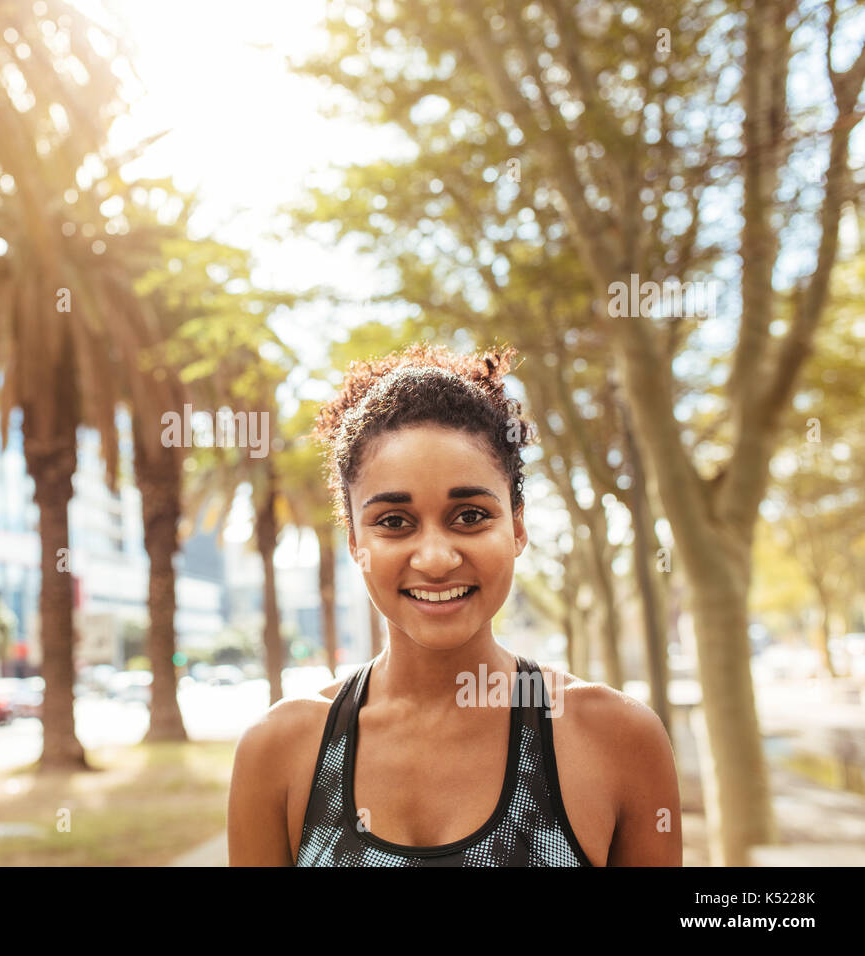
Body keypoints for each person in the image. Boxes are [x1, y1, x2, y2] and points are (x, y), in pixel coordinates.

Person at [227, 344, 681, 866]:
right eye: (394, 522)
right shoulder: (279, 750)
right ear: (355, 542)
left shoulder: (617, 737)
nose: (437, 559)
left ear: (518, 527)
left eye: (469, 516)